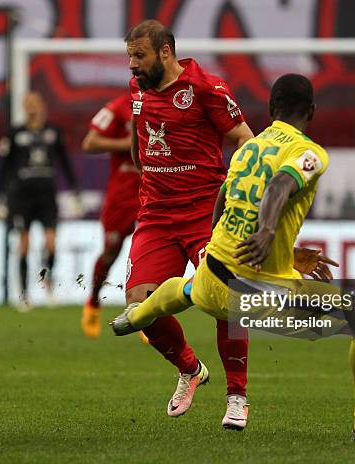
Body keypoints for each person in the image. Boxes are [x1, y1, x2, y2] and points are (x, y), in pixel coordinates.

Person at [112, 74, 355, 442]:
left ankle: (138, 315)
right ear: (312, 111)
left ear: (271, 109)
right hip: (257, 296)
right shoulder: (310, 153)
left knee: (187, 289)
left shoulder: (247, 149)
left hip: (213, 278)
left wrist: (247, 247)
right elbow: (279, 186)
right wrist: (268, 233)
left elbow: (223, 200)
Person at [124, 19, 255, 428]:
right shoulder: (138, 90)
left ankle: (237, 397)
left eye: (139, 56)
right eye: (129, 57)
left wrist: (236, 191)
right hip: (157, 215)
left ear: (165, 52)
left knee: (225, 302)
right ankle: (190, 368)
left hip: (204, 214)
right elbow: (138, 132)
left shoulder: (206, 88)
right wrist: (143, 165)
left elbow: (246, 140)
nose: (133, 66)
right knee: (139, 307)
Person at [0, 91, 80, 310]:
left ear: (43, 107)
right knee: (24, 245)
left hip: (46, 195)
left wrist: (75, 189)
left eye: (36, 104)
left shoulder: (53, 132)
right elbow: (4, 166)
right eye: (28, 104)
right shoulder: (14, 133)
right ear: (24, 107)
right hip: (21, 196)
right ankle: (23, 295)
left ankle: (48, 284)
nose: (32, 108)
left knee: (51, 243)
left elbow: (65, 162)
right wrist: (0, 197)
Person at [81, 94, 140, 337]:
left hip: (155, 189)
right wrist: (128, 144)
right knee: (111, 252)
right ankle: (93, 302)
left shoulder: (170, 101)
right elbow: (90, 142)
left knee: (151, 254)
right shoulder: (118, 107)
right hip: (123, 194)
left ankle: (146, 316)